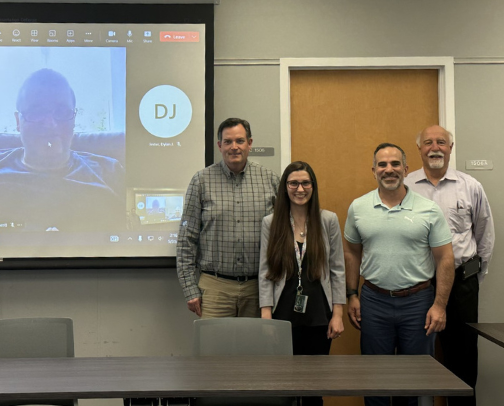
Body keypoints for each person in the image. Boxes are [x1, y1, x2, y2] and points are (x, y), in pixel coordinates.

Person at [343, 143, 454, 406]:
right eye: (382, 165)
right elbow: (351, 253)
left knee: (414, 379)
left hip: (418, 303)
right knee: (374, 378)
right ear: (374, 170)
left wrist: (440, 305)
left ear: (405, 169)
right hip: (374, 301)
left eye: (395, 164)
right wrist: (351, 294)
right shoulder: (359, 207)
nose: (388, 170)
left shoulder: (428, 209)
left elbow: (445, 258)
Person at [0, 68, 125, 232]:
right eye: (36, 112)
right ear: (18, 121)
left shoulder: (110, 172)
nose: (50, 124)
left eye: (61, 112)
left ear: (74, 119)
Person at [404, 125, 494, 406]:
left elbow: (484, 235)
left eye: (441, 142)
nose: (435, 147)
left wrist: (472, 278)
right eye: (428, 142)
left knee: (463, 356)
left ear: (450, 148)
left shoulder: (470, 186)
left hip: (462, 283)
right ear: (419, 149)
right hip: (417, 283)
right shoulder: (405, 186)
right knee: (414, 355)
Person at [259, 161, 345, 406]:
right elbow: (265, 271)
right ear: (285, 187)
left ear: (313, 186)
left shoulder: (327, 220)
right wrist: (266, 315)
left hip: (319, 313)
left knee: (313, 385)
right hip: (282, 313)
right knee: (283, 384)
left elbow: (338, 268)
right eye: (293, 183)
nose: (300, 188)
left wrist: (338, 313)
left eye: (305, 183)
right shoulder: (271, 223)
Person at [176, 118, 280, 318]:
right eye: (228, 142)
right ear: (219, 146)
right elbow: (186, 238)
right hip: (215, 289)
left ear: (250, 143)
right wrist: (190, 288)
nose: (234, 147)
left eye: (240, 141)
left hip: (260, 289)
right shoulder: (201, 181)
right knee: (215, 349)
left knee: (258, 348)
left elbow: (284, 234)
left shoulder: (270, 180)